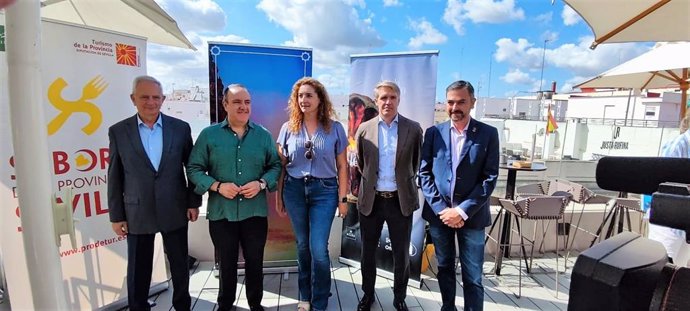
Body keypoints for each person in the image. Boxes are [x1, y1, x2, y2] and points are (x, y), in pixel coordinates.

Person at [108, 75, 201, 311]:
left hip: (175, 207)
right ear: (133, 99)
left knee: (180, 265)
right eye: (144, 97)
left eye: (155, 97)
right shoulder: (119, 131)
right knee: (138, 269)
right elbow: (115, 175)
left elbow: (191, 168)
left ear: (163, 99)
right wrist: (116, 215)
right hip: (136, 211)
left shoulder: (180, 128)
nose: (150, 102)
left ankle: (182, 306)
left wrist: (193, 202)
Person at [186, 84, 281, 311]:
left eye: (247, 102)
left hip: (255, 212)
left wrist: (260, 184)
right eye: (237, 102)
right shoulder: (209, 135)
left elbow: (275, 166)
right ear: (225, 104)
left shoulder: (263, 135)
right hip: (222, 212)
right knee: (226, 263)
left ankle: (255, 305)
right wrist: (217, 186)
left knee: (255, 262)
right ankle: (225, 305)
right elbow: (193, 168)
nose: (243, 107)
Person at [419, 80, 499, 311]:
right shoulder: (434, 133)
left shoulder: (488, 134)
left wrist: (461, 210)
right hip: (440, 216)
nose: (455, 107)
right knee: (444, 267)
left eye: (461, 102)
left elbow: (489, 178)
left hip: (471, 217)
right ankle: (448, 307)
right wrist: (442, 210)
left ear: (472, 102)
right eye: (451, 102)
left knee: (473, 275)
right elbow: (424, 173)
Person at [275, 77, 349, 311]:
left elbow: (343, 167)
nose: (304, 100)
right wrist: (279, 197)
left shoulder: (335, 128)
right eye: (300, 96)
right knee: (302, 246)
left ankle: (319, 301)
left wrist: (343, 199)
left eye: (309, 95)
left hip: (325, 191)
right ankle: (304, 296)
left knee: (318, 247)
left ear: (320, 99)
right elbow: (282, 166)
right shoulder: (288, 128)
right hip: (294, 190)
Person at [355, 81, 423, 311]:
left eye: (392, 97)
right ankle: (367, 294)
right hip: (371, 201)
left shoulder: (413, 129)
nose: (388, 102)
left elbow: (415, 163)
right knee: (367, 254)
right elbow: (362, 165)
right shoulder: (364, 129)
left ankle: (399, 297)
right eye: (383, 97)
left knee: (402, 255)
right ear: (376, 101)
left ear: (399, 100)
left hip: (399, 201)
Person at [648, 112, 690, 267]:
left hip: (685, 225)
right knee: (660, 274)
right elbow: (662, 182)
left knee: (678, 276)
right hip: (668, 226)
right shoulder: (678, 145)